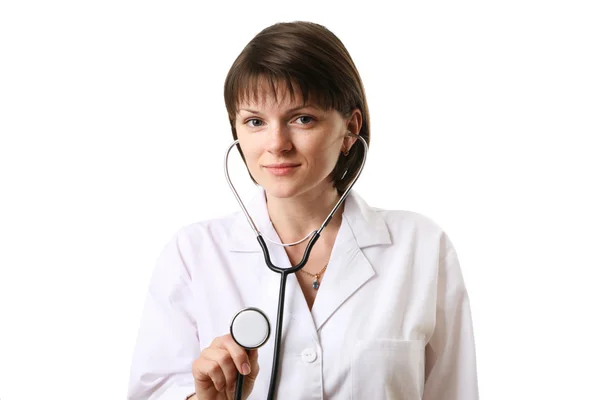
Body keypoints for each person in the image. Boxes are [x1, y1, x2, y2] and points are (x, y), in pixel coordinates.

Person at [127, 21, 479, 400]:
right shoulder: (193, 253)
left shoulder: (420, 247)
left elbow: (454, 392)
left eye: (302, 119)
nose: (277, 144)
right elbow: (153, 391)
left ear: (349, 128)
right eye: (255, 121)